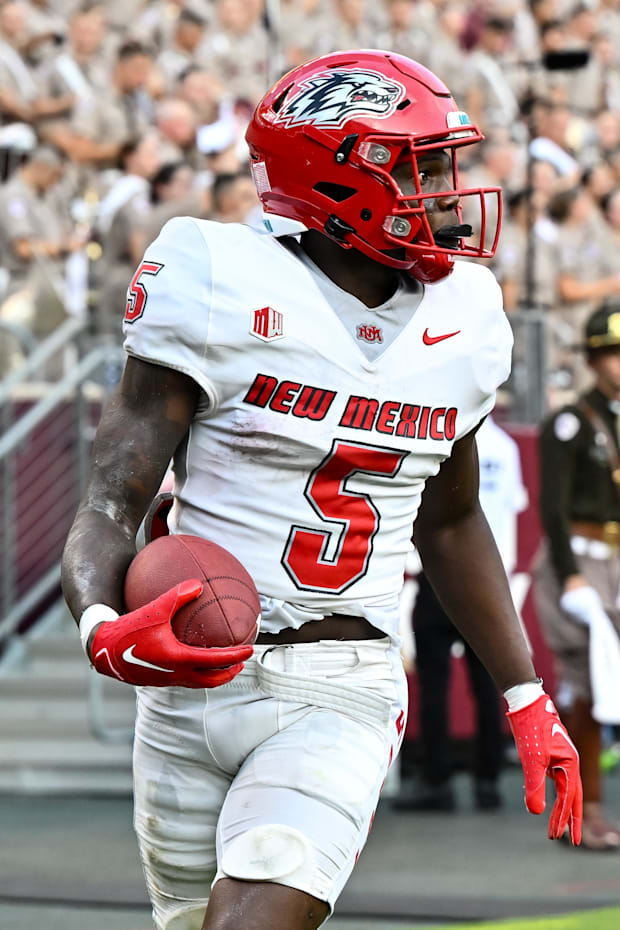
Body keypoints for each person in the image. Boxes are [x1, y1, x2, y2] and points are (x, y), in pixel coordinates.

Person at [62, 50, 582, 930]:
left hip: (342, 681)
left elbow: (451, 524)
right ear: (336, 179)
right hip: (189, 683)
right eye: (418, 166)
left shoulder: (466, 319)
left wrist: (527, 696)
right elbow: (111, 498)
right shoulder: (220, 280)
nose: (449, 194)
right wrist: (99, 624)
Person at [395, 417, 528, 812]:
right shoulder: (505, 446)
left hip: (439, 574)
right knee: (488, 683)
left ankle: (438, 781)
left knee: (435, 686)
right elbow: (514, 509)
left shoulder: (433, 434)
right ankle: (487, 781)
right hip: (488, 577)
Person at [535, 300, 620, 850]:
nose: (618, 364)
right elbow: (553, 508)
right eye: (609, 353)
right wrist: (569, 576)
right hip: (582, 558)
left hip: (615, 556)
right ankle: (582, 809)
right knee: (585, 689)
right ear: (593, 359)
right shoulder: (570, 420)